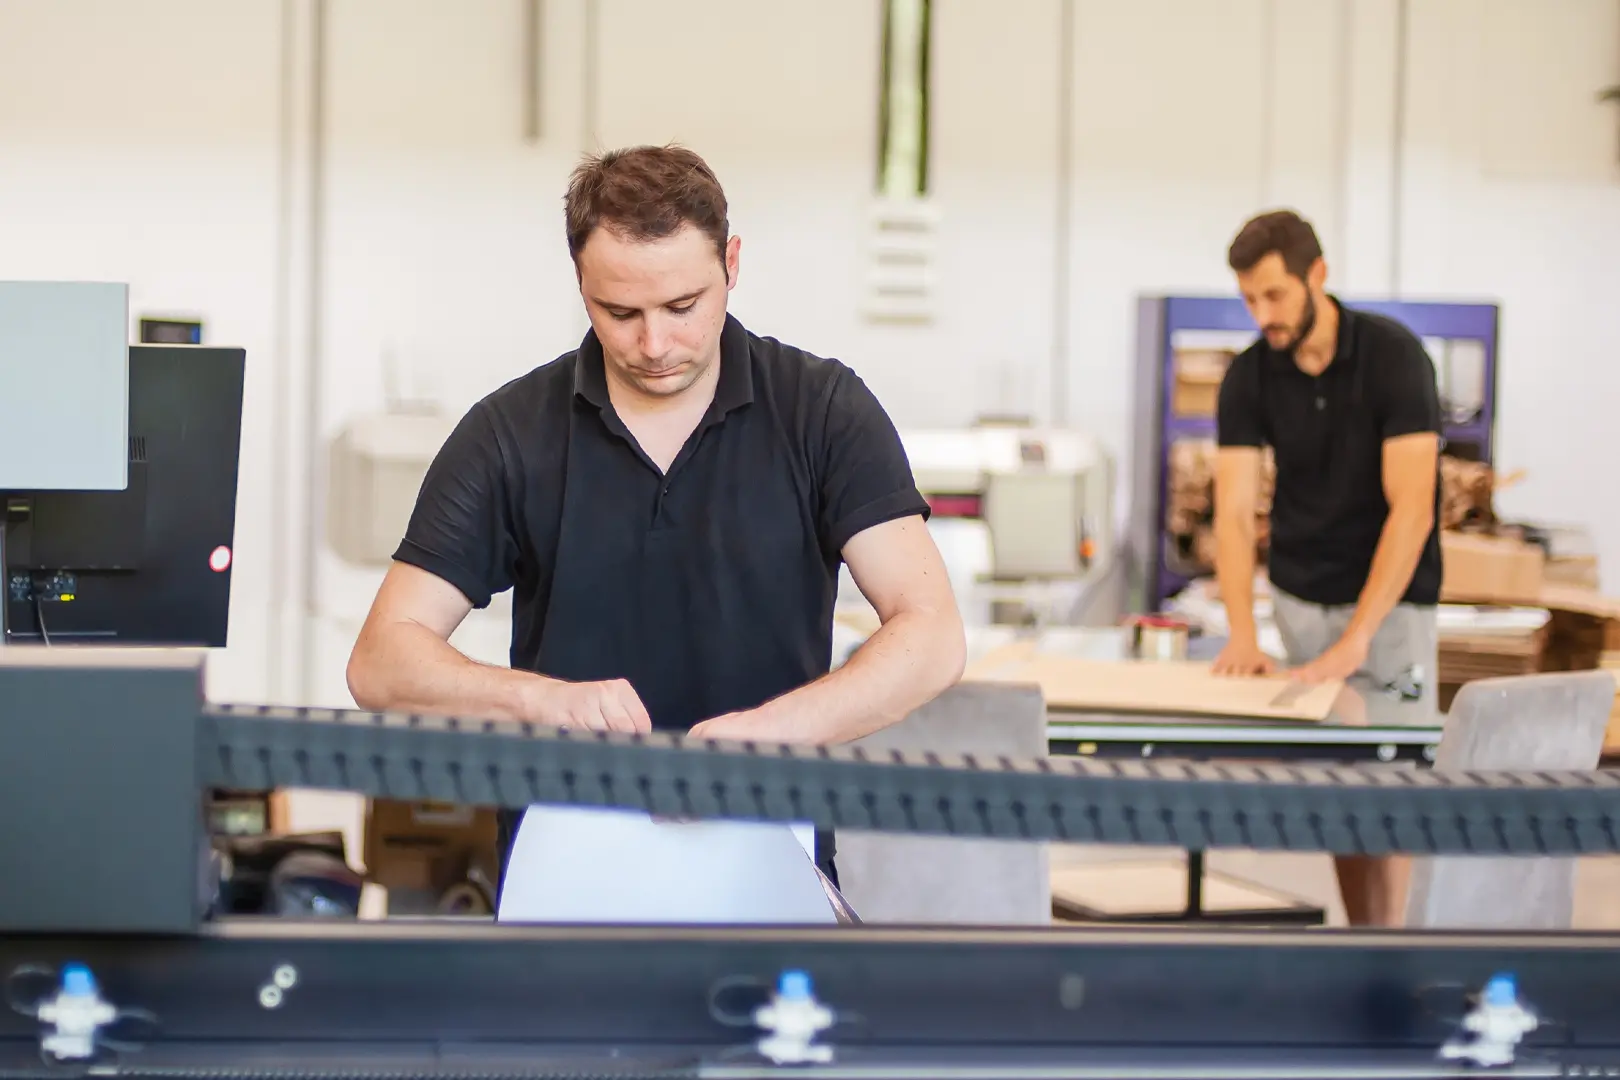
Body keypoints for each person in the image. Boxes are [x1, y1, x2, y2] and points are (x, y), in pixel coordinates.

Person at [345, 144, 967, 898]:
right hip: (564, 869)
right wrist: (541, 700)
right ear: (580, 285)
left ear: (731, 264)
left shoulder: (822, 412)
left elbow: (931, 634)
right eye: (621, 313)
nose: (655, 344)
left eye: (683, 307)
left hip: (771, 856)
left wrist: (772, 734)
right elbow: (381, 660)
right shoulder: (510, 433)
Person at [1210, 209, 1442, 927]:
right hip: (1301, 599)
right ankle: (1363, 946)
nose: (1263, 315)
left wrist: (1360, 638)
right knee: (1343, 791)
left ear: (1318, 274)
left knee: (1395, 788)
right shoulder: (1249, 376)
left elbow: (1413, 511)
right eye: (1249, 299)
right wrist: (1243, 633)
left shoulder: (1394, 357)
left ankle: (1395, 953)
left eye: (1274, 296)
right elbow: (1232, 510)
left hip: (1392, 606)